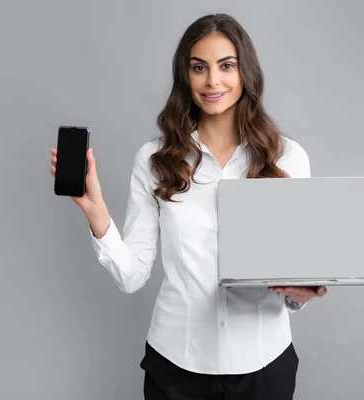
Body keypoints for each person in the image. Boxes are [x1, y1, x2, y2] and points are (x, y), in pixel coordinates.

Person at [50, 13, 327, 400]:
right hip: (176, 367)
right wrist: (96, 210)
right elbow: (132, 276)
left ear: (245, 71)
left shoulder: (288, 158)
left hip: (265, 365)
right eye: (200, 68)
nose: (213, 80)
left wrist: (302, 291)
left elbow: (291, 283)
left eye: (226, 66)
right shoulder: (154, 159)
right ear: (186, 76)